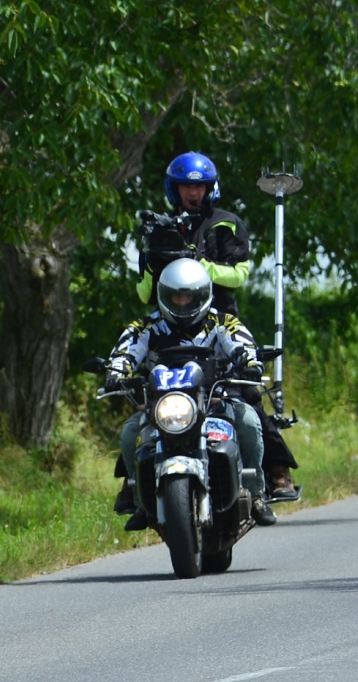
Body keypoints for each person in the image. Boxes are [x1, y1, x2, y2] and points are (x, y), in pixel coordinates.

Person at [135, 152, 299, 507]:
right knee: (147, 402)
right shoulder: (159, 228)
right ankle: (135, 485)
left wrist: (199, 264)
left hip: (218, 324)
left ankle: (276, 471)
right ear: (173, 189)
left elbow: (239, 276)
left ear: (210, 188)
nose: (192, 193)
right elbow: (144, 293)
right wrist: (153, 258)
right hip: (171, 329)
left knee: (248, 398)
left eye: (198, 186)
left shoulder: (225, 224)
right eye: (185, 186)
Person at [108, 259, 268, 531]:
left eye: (189, 296)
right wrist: (116, 373)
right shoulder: (146, 327)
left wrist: (250, 362)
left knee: (250, 421)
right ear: (164, 295)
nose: (182, 302)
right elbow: (125, 352)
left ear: (203, 295)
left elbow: (242, 344)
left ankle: (254, 494)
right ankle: (140, 503)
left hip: (216, 403)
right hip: (162, 411)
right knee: (129, 434)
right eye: (176, 296)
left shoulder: (223, 323)